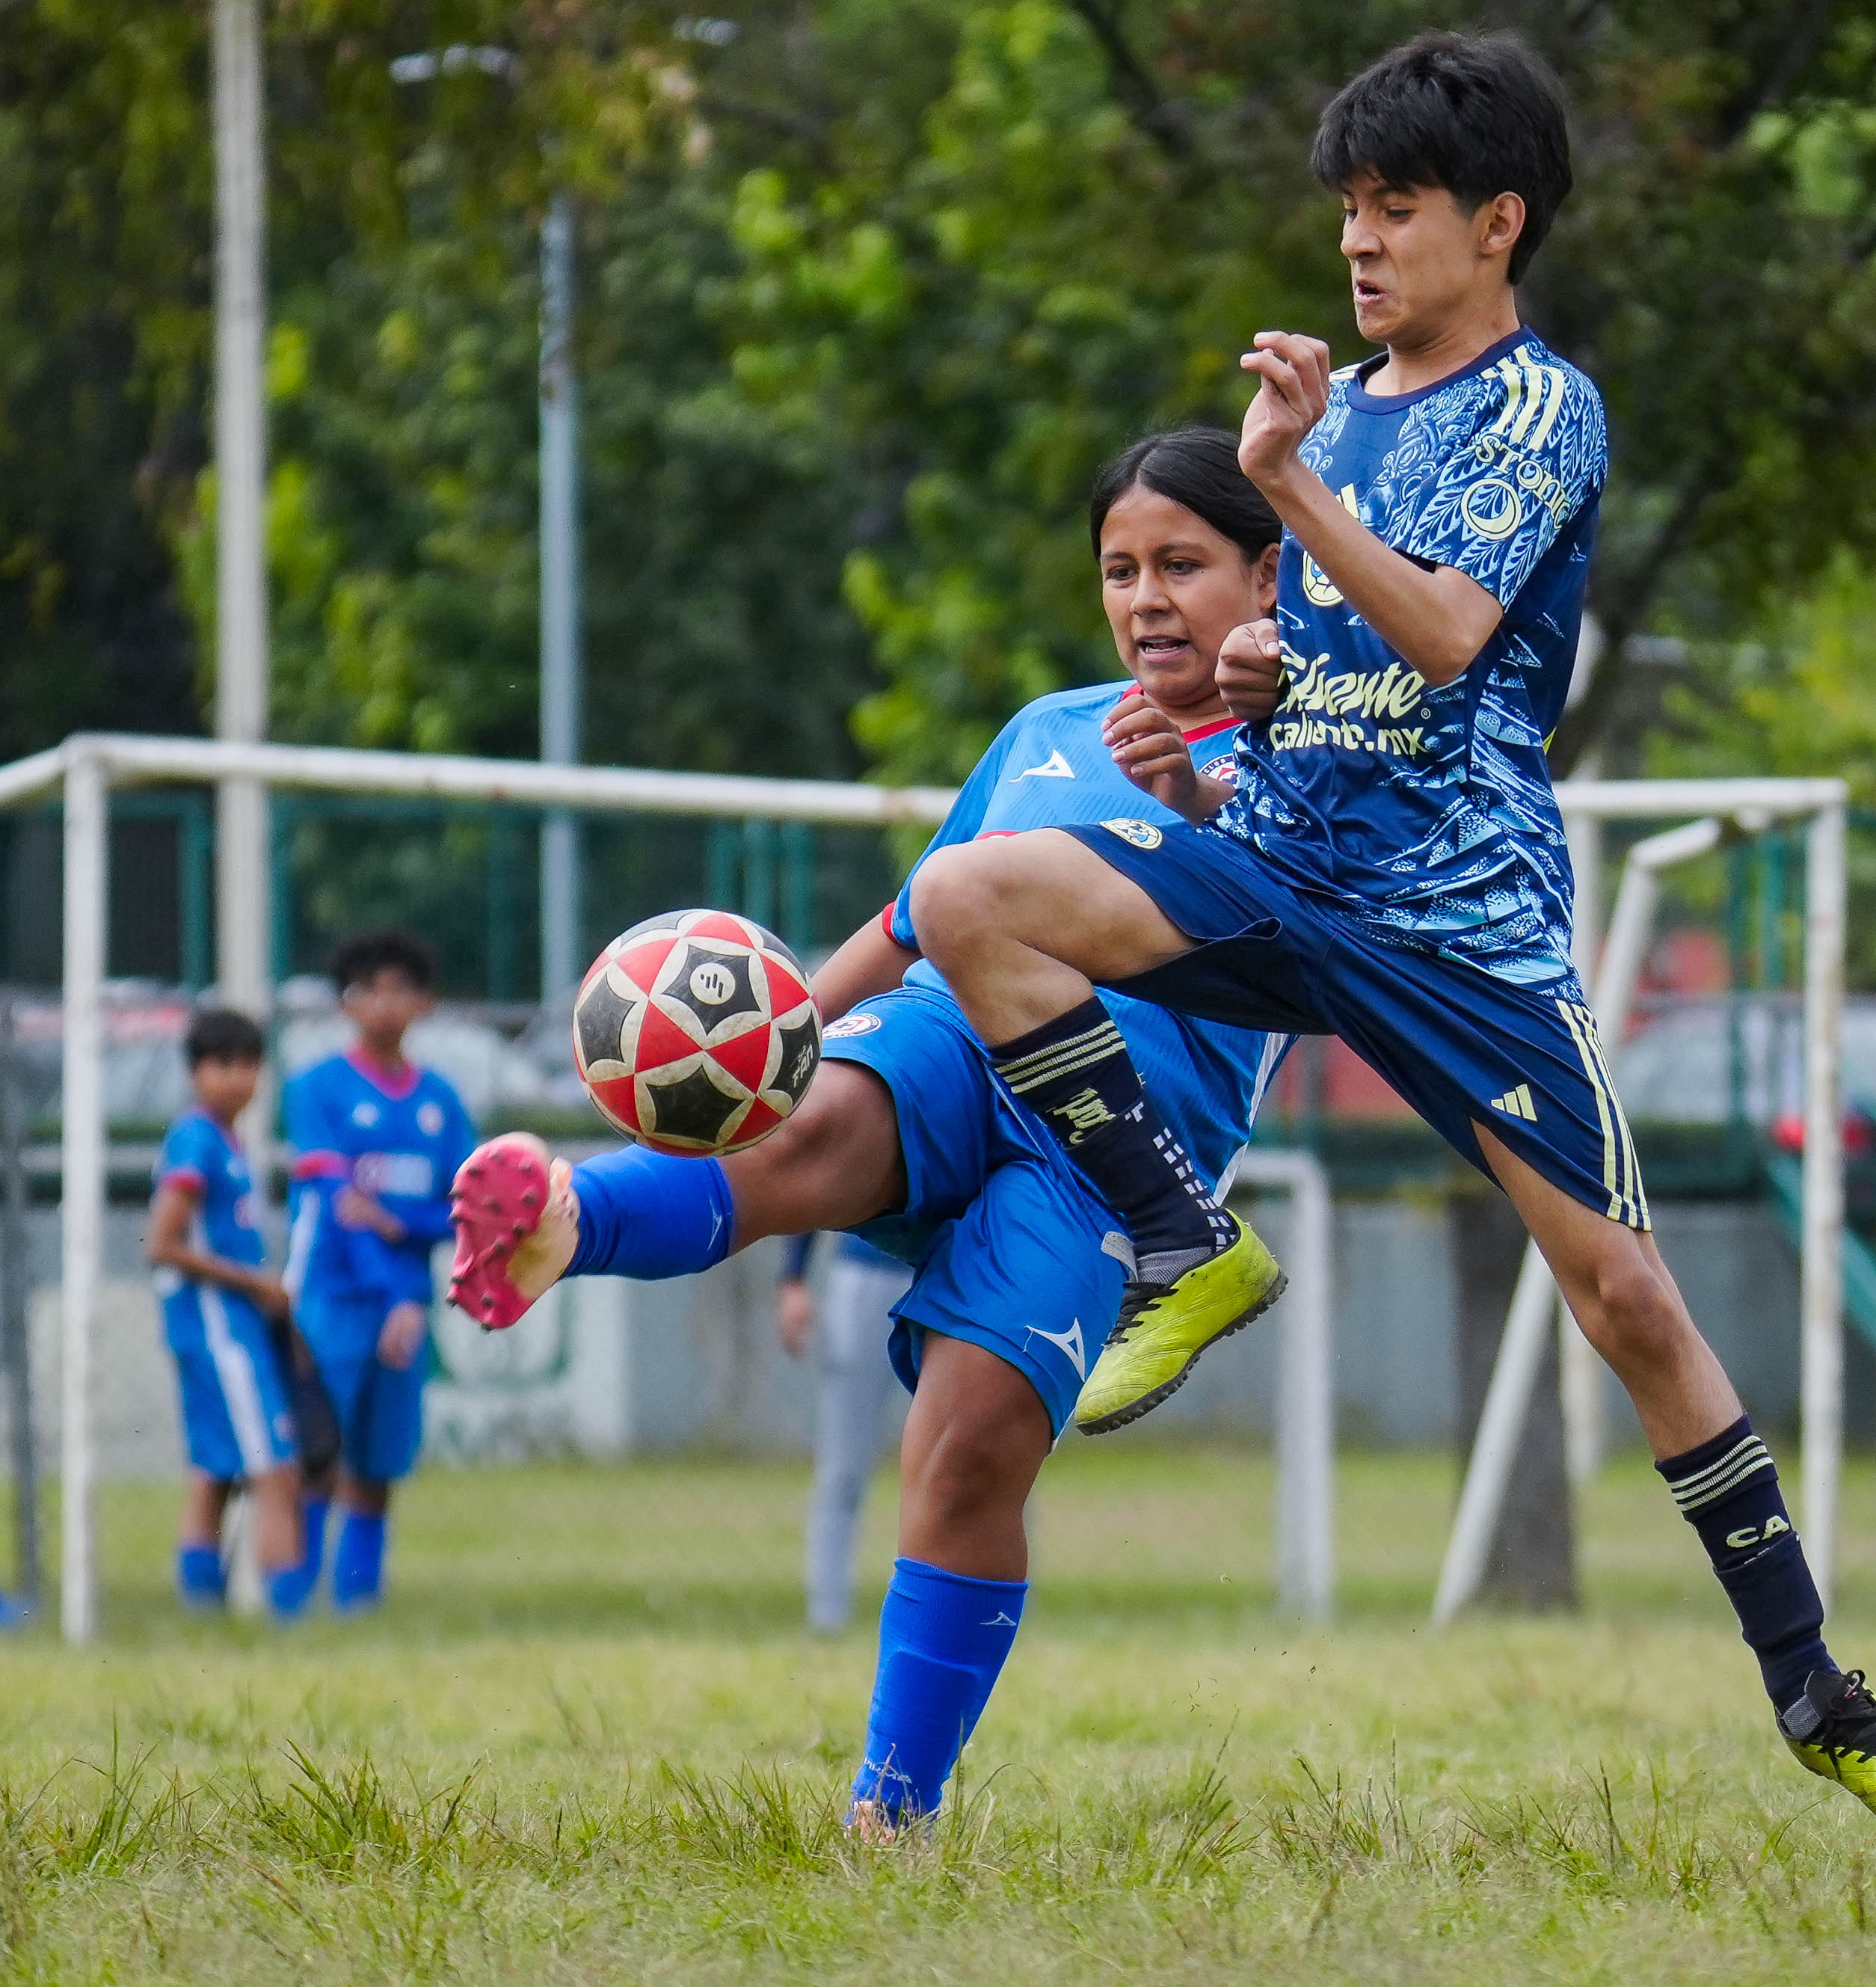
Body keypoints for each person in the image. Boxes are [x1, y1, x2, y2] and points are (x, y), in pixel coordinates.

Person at [901, 33, 1876, 1836]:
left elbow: (1452, 640)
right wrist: (1235, 700)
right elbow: (1332, 669)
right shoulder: (1341, 423)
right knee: (965, 896)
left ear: (1497, 222)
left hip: (1457, 935)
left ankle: (1815, 1692)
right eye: (1345, 208)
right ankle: (1190, 1243)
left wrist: (1291, 486)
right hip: (1285, 868)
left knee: (1625, 1297)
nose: (1357, 241)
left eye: (1392, 206)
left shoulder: (1537, 406)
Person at [449, 426, 1288, 1830]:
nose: (1145, 596)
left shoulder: (1318, 756)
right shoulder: (1042, 732)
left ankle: (888, 1812)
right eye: (1118, 567)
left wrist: (1192, 796)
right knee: (801, 1128)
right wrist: (775, 1040)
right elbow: (914, 920)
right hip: (958, 1039)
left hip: (1114, 1142)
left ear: (1268, 569)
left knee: (963, 1449)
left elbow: (1288, 925)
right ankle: (561, 1218)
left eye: (1182, 564)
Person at [284, 930, 479, 1612]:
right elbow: (339, 1205)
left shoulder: (441, 1102)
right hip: (331, 1297)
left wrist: (401, 1225)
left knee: (378, 1460)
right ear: (347, 1003)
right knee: (317, 1454)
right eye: (369, 989)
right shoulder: (317, 1090)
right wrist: (394, 1266)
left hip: (406, 1302)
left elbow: (462, 1204)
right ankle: (291, 1604)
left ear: (424, 1003)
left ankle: (356, 1606)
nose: (385, 1003)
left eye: (400, 988)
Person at [146, 1007, 317, 1619]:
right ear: (195, 1071)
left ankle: (201, 1615)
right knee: (277, 1472)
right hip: (220, 1331)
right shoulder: (196, 1138)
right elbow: (161, 1243)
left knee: (213, 1471)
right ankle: (289, 1616)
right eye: (222, 1064)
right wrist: (255, 1284)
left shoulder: (227, 1138)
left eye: (248, 1064)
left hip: (225, 1329)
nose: (236, 1078)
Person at [781, 1229, 911, 1633]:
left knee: (986, 1453)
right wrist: (793, 1276)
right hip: (866, 1273)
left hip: (959, 1271)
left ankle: (995, 1612)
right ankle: (828, 1617)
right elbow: (814, 1169)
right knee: (843, 1467)